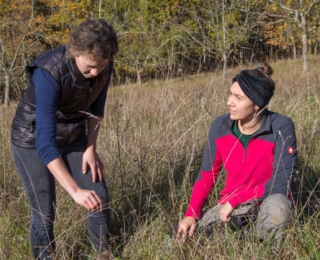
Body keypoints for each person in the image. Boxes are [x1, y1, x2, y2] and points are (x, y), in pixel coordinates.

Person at [11, 18, 119, 259]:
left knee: (99, 195)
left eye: (101, 66)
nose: (96, 72)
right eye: (90, 66)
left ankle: (102, 254)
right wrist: (75, 191)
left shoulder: (104, 63)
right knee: (44, 209)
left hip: (74, 134)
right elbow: (45, 143)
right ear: (75, 52)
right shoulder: (48, 72)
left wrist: (91, 148)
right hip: (32, 138)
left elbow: (96, 109)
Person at [175, 62, 297, 245]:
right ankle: (242, 238)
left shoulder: (281, 126)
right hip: (229, 208)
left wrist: (238, 199)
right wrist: (191, 214)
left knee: (278, 206)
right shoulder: (220, 126)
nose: (229, 102)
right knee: (180, 239)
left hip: (267, 204)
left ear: (257, 104)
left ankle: (268, 249)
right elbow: (208, 174)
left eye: (238, 98)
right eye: (230, 94)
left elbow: (282, 183)